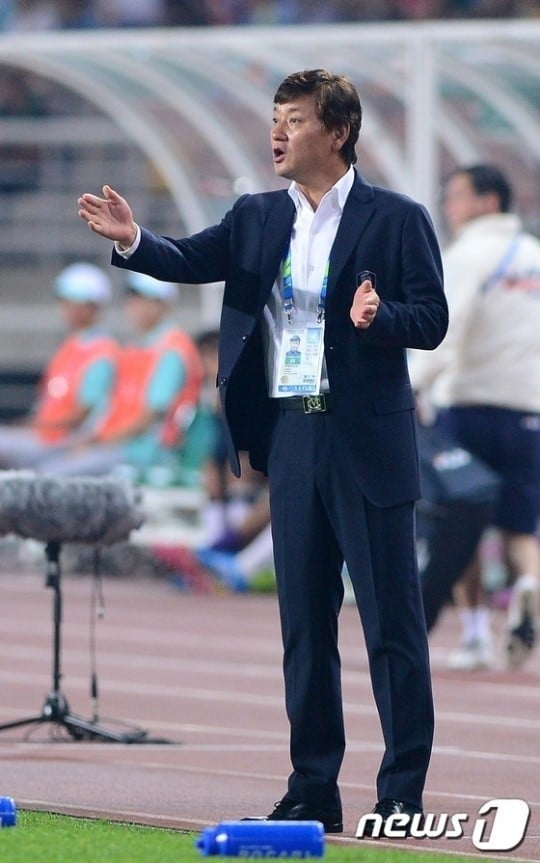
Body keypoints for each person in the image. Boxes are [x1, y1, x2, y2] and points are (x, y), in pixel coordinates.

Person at [78, 69, 447, 835]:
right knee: (304, 627)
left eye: (295, 119)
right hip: (293, 435)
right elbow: (188, 258)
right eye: (274, 118)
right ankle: (313, 787)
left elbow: (432, 318)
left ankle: (401, 795)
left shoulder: (397, 218)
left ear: (338, 132)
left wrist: (380, 317)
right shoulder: (256, 215)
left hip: (367, 440)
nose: (277, 133)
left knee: (391, 627)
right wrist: (134, 240)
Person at [408, 164, 540, 671]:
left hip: (467, 406)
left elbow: (444, 329)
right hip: (527, 410)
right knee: (519, 524)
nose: (449, 206)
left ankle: (476, 634)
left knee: (462, 521)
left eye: (458, 195)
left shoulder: (468, 254)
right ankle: (529, 583)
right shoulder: (533, 256)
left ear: (488, 201)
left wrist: (411, 383)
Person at [40, 271, 204, 479]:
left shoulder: (171, 350)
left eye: (148, 300)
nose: (138, 307)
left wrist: (97, 444)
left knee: (51, 475)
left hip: (145, 450)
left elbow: (150, 417)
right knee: (49, 466)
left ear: (164, 305)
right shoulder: (139, 348)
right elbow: (113, 407)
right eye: (134, 299)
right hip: (118, 443)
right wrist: (91, 440)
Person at [0, 262, 117, 470]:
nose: (72, 310)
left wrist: (31, 426)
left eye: (80, 304)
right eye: (67, 302)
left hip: (64, 440)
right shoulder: (71, 346)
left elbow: (82, 415)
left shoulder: (102, 352)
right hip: (44, 434)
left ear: (94, 307)